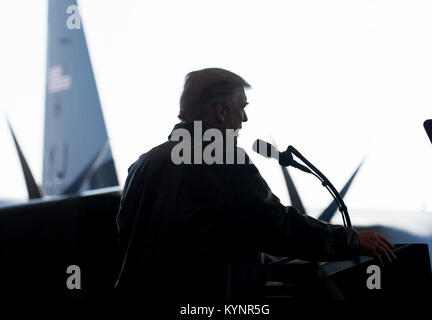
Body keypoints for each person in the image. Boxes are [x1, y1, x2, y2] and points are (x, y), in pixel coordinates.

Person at [115, 68, 395, 303]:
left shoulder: (143, 165)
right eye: (242, 108)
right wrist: (353, 240)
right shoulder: (222, 154)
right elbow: (278, 227)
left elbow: (139, 235)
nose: (245, 119)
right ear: (220, 112)